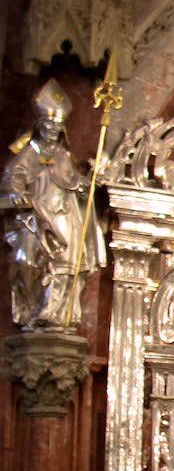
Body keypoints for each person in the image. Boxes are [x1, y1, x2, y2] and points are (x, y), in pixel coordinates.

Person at [1, 78, 106, 328]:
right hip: (36, 217)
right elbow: (13, 177)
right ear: (39, 124)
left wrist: (87, 184)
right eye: (48, 123)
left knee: (65, 266)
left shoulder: (62, 154)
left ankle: (55, 312)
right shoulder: (32, 151)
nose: (52, 128)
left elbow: (70, 180)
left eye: (57, 125)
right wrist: (17, 193)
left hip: (62, 215)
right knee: (27, 260)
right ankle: (32, 308)